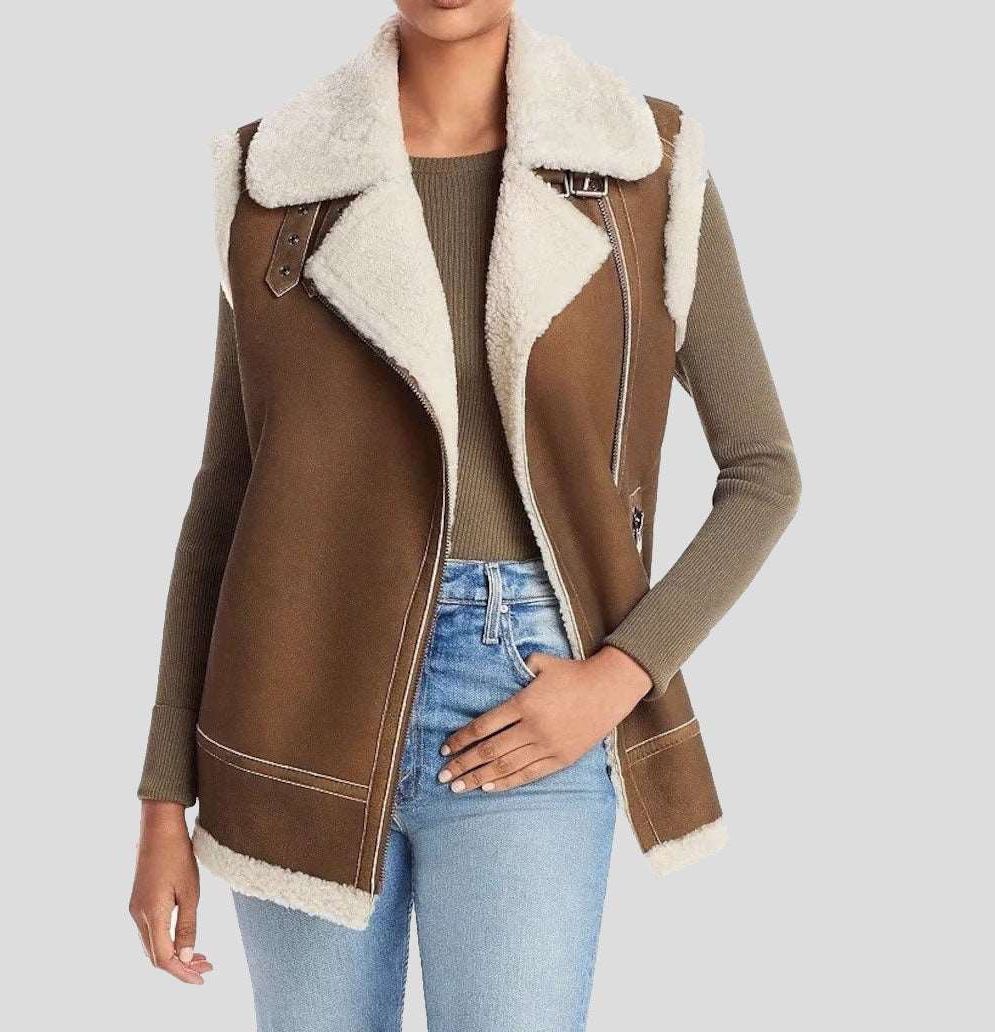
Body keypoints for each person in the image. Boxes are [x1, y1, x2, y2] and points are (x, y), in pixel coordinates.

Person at [128, 2, 801, 1029]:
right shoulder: (280, 174)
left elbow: (764, 473)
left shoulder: (642, 162)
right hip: (292, 695)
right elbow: (227, 494)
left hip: (529, 697)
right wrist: (162, 800)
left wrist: (617, 679)